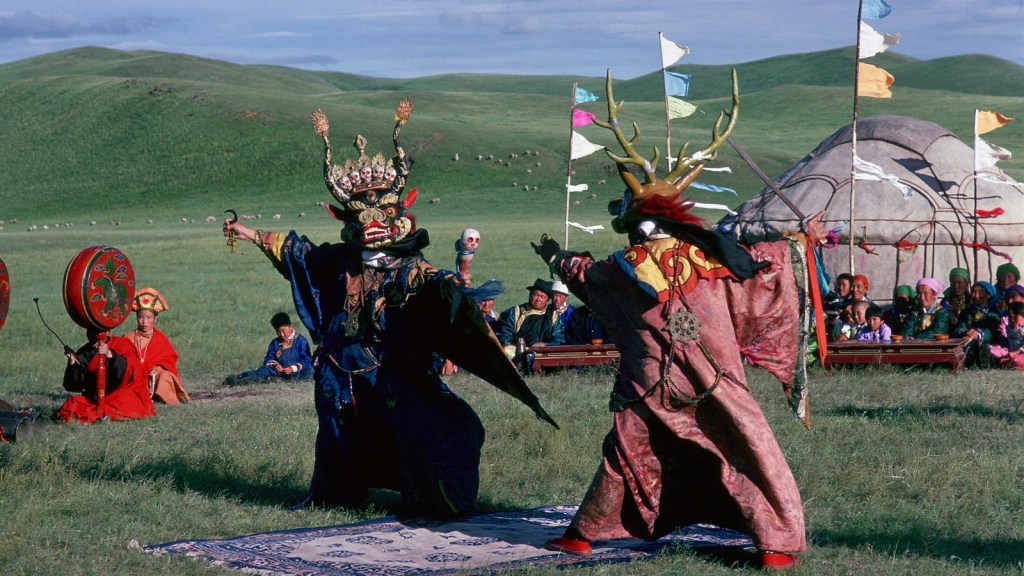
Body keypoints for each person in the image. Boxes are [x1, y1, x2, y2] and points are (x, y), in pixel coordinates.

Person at [221, 102, 554, 517]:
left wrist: (452, 285)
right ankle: (338, 493)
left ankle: (433, 496)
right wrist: (247, 232)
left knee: (445, 423)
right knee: (338, 432)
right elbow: (296, 252)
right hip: (338, 370)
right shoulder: (340, 259)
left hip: (389, 369)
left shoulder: (409, 267)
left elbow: (432, 281)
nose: (373, 226)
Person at [534, 73, 811, 571]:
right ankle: (775, 542)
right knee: (742, 446)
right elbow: (762, 275)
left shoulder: (623, 268)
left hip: (651, 381)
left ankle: (583, 535)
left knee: (627, 450)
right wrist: (794, 246)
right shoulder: (715, 261)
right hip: (716, 375)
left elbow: (584, 275)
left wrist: (556, 257)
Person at [57, 329, 157, 424]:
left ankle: (104, 414)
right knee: (71, 405)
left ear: (108, 332)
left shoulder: (121, 344)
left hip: (119, 393)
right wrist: (73, 365)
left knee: (128, 404)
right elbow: (72, 386)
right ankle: (100, 414)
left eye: (99, 332)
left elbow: (131, 370)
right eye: (91, 331)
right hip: (95, 400)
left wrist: (110, 354)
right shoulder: (84, 352)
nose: (94, 336)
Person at [121, 287, 190, 404]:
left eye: (149, 318)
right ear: (137, 318)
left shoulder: (160, 338)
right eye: (141, 317)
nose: (144, 322)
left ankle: (161, 396)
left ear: (155, 319)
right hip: (135, 378)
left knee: (166, 376)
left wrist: (158, 368)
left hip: (153, 377)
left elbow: (169, 361)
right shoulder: (128, 337)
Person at [224, 312, 313, 386]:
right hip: (277, 372)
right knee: (262, 371)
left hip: (296, 372)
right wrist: (275, 365)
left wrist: (293, 368)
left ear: (291, 326)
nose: (281, 335)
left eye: (283, 331)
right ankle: (237, 379)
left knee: (310, 371)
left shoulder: (301, 341)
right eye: (278, 332)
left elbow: (307, 360)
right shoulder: (275, 343)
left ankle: (280, 380)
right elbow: (268, 359)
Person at [495, 278, 565, 356]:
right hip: (517, 353)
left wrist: (544, 345)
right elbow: (504, 335)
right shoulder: (515, 312)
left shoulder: (553, 316)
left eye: (542, 296)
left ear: (547, 300)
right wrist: (515, 348)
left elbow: (558, 339)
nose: (538, 299)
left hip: (544, 353)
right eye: (535, 295)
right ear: (530, 295)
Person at [953, 281, 1000, 367]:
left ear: (988, 295)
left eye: (981, 292)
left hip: (986, 342)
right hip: (966, 339)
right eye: (973, 292)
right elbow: (959, 328)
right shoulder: (966, 312)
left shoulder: (993, 313)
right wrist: (967, 332)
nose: (976, 296)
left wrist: (976, 334)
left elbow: (991, 331)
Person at [990, 302, 1024, 369]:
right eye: (1010, 318)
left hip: (1020, 353)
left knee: (1017, 360)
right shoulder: (1008, 327)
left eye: (1015, 317)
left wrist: (1016, 352)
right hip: (1010, 352)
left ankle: (1003, 362)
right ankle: (997, 360)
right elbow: (1007, 340)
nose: (1012, 320)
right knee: (992, 349)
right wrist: (999, 346)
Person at [942, 267, 971, 333]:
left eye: (959, 283)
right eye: (953, 283)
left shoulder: (972, 301)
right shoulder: (946, 302)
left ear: (966, 284)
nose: (956, 286)